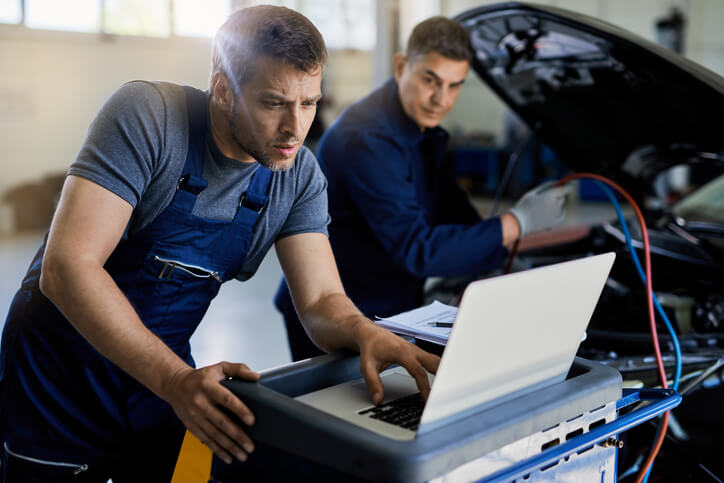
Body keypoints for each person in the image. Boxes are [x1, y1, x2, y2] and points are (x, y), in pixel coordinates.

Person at [0, 6, 439, 482]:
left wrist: (363, 330)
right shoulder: (149, 117)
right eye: (274, 103)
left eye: (310, 103)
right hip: (57, 386)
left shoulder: (297, 176)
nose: (295, 129)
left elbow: (320, 301)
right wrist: (174, 380)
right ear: (225, 89)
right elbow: (68, 268)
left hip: (161, 383)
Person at [275, 16, 570, 361]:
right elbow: (418, 249)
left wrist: (502, 253)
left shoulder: (420, 128)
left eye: (455, 85)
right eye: (431, 80)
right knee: (344, 413)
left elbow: (449, 204)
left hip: (388, 302)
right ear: (402, 66)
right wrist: (517, 223)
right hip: (335, 316)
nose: (441, 99)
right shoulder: (368, 138)